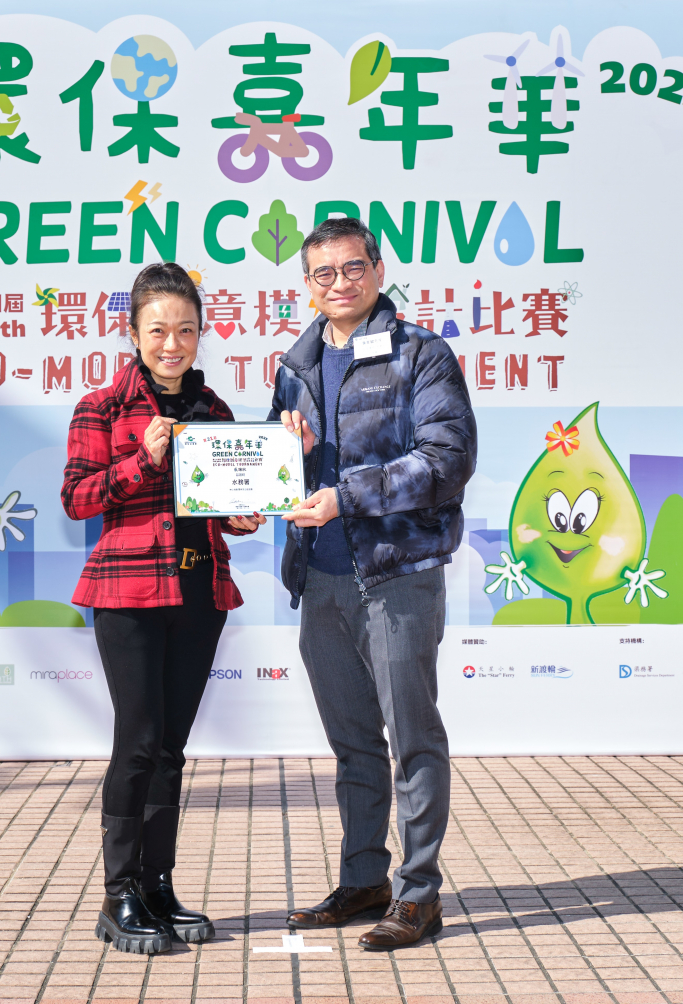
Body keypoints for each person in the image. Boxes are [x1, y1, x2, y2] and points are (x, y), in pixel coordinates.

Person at [269, 217, 476, 950]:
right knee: (353, 743)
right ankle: (364, 880)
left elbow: (447, 460)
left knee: (413, 739)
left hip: (397, 576)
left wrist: (346, 495)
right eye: (323, 273)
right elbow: (275, 464)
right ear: (307, 284)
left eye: (353, 268)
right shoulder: (294, 365)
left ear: (378, 270)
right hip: (320, 577)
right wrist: (284, 465)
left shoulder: (422, 354)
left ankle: (419, 895)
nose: (340, 283)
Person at [62, 262, 266, 954]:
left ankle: (157, 886)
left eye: (185, 330)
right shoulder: (101, 408)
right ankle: (118, 893)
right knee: (138, 742)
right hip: (128, 594)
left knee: (172, 749)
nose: (172, 343)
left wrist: (238, 517)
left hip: (200, 591)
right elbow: (77, 499)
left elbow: (222, 502)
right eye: (157, 330)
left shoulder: (214, 412)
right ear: (133, 333)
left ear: (201, 333)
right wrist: (142, 462)